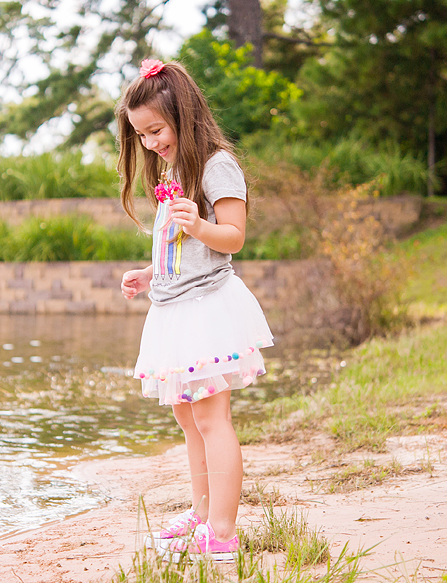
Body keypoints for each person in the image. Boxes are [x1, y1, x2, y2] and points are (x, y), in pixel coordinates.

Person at [116, 58, 274, 562]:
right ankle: (202, 512)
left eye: (156, 130)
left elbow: (233, 237)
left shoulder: (215, 165)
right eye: (141, 135)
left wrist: (198, 225)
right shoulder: (174, 170)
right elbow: (179, 249)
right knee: (188, 419)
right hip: (173, 308)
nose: (149, 142)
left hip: (205, 309)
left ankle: (223, 532)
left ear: (183, 114)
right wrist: (150, 273)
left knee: (211, 418)